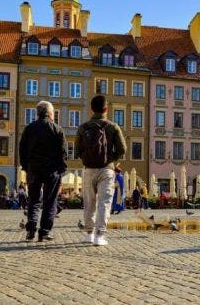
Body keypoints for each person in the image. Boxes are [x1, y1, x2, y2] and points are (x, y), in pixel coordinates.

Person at [77, 95, 126, 246]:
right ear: (106, 109)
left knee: (89, 202)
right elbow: (123, 149)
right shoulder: (112, 126)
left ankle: (89, 234)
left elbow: (78, 150)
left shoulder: (83, 127)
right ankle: (100, 235)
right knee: (104, 202)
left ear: (92, 108)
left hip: (89, 169)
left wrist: (88, 158)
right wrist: (112, 160)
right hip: (107, 169)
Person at [19, 101, 67, 242]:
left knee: (33, 200)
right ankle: (44, 231)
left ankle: (31, 230)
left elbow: (22, 149)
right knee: (50, 200)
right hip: (52, 169)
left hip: (33, 168)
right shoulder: (57, 129)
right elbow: (63, 152)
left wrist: (26, 166)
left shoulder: (29, 128)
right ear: (50, 114)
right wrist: (61, 168)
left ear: (37, 113)